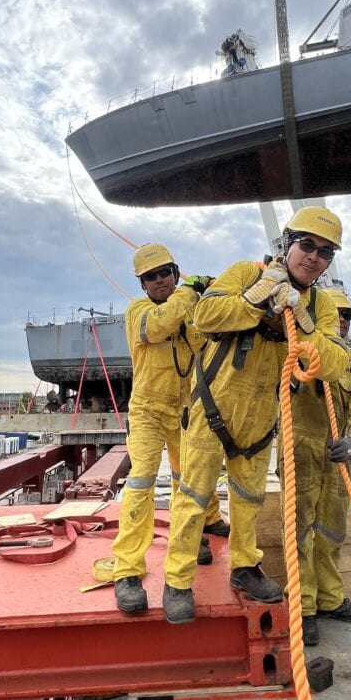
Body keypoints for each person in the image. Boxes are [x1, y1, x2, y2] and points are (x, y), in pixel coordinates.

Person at [161, 205, 349, 624]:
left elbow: (335, 364)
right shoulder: (246, 272)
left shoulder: (320, 306)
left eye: (324, 252)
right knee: (193, 499)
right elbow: (204, 315)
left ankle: (245, 567)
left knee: (248, 499)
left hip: (261, 419)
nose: (313, 256)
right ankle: (177, 579)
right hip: (214, 411)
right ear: (287, 243)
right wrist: (256, 296)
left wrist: (302, 321)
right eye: (307, 244)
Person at [112, 243, 229, 614]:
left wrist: (214, 293)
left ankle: (192, 539)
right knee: (142, 481)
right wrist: (190, 291)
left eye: (166, 272)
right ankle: (127, 570)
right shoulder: (139, 312)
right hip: (147, 410)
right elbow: (159, 326)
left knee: (188, 481)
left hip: (184, 410)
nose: (160, 280)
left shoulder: (190, 310)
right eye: (152, 276)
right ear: (143, 285)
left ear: (176, 273)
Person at [279, 286, 351, 646]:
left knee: (333, 530)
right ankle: (303, 609)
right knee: (300, 532)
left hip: (337, 454)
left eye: (348, 315)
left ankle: (329, 599)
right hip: (300, 447)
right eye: (338, 314)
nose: (344, 321)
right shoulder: (297, 350)